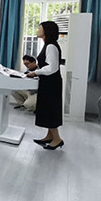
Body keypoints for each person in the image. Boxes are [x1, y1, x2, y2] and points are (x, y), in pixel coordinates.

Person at [27, 21, 64, 150]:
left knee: (50, 109)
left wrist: (35, 72)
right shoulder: (48, 45)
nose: (37, 30)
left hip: (51, 83)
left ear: (46, 31)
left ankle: (57, 139)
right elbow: (47, 65)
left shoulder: (51, 46)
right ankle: (50, 136)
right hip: (48, 81)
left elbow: (52, 67)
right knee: (47, 109)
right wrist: (36, 69)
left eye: (40, 28)